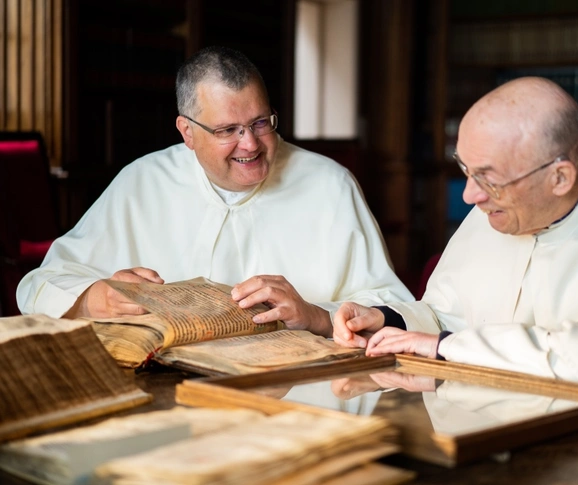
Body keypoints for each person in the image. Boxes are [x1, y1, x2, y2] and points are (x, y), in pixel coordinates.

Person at [333, 77, 578, 418]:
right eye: (466, 170)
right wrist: (389, 322)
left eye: (488, 179)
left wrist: (446, 348)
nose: (470, 196)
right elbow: (447, 315)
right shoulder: (501, 206)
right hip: (478, 436)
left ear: (559, 177)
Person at [17, 45, 413, 337]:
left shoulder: (330, 184)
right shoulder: (143, 181)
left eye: (261, 123)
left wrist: (316, 315)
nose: (251, 144)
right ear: (187, 132)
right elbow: (40, 283)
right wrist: (91, 299)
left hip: (293, 401)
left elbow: (399, 310)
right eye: (228, 131)